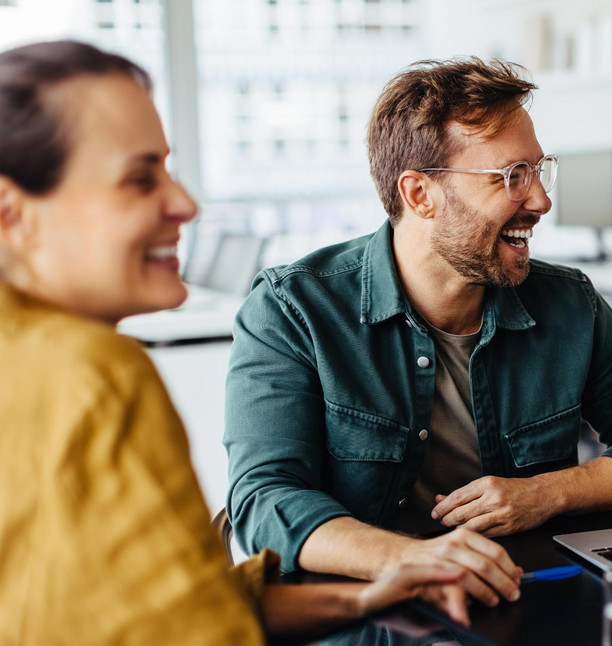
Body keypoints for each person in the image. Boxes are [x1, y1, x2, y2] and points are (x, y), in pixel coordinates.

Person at [0, 40, 469, 643]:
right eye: (139, 179)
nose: (184, 204)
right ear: (12, 214)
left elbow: (137, 606)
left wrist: (360, 601)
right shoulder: (93, 373)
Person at [223, 57, 612, 606]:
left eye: (540, 171)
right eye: (513, 176)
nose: (541, 200)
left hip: (522, 606)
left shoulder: (570, 303)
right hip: (363, 621)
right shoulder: (291, 309)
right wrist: (413, 559)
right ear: (420, 194)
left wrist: (547, 493)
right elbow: (264, 499)